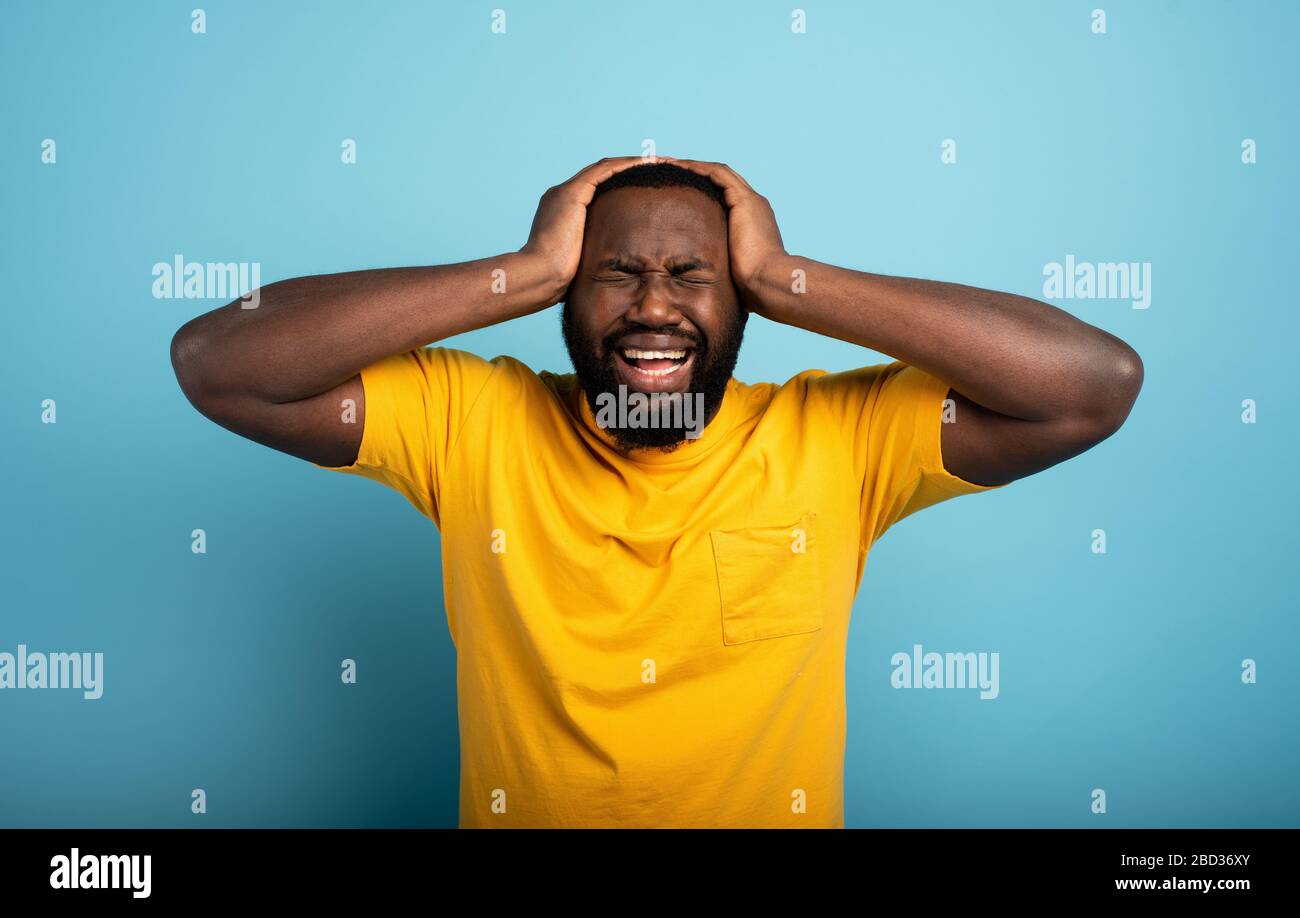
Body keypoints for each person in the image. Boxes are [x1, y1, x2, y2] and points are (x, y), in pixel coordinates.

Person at [170, 156, 1143, 827]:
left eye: (694, 276)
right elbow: (219, 363)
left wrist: (791, 275)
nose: (652, 307)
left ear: (744, 303)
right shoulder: (470, 422)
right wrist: (519, 272)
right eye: (613, 276)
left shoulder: (838, 439)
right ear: (563, 298)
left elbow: (1091, 386)